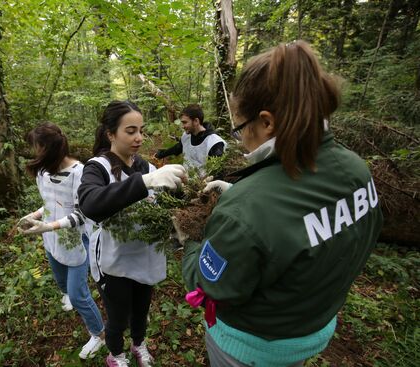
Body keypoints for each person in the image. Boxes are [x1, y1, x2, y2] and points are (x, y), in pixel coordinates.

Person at [179, 41, 383, 367]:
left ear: (267, 122)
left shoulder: (244, 213)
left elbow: (210, 285)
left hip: (250, 348)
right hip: (309, 329)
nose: (240, 138)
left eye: (240, 129)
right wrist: (240, 194)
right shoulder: (356, 170)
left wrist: (190, 238)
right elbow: (301, 222)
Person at [78, 100, 187, 367]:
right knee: (118, 317)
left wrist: (179, 191)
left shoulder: (145, 166)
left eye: (141, 130)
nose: (139, 137)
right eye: (130, 131)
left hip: (145, 256)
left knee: (141, 310)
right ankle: (116, 355)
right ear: (110, 134)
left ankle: (139, 344)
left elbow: (167, 204)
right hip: (114, 261)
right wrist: (145, 182)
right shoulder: (98, 167)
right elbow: (90, 203)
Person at [17, 123, 105, 359]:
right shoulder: (43, 171)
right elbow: (49, 203)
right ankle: (68, 293)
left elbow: (82, 213)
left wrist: (49, 225)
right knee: (61, 281)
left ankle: (99, 334)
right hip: (50, 239)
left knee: (78, 295)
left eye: (36, 147)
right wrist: (34, 217)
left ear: (47, 148)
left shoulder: (80, 173)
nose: (34, 152)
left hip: (75, 241)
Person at [155, 104, 227, 170]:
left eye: (185, 122)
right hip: (185, 179)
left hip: (205, 182)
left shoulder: (214, 143)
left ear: (196, 121)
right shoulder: (186, 136)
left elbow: (217, 170)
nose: (182, 126)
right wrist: (161, 154)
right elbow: (178, 148)